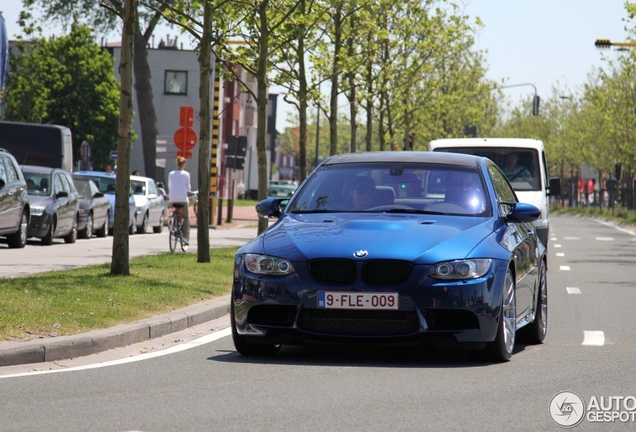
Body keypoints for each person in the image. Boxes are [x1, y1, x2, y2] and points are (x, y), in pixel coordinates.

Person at [169, 156, 192, 245]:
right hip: (182, 198)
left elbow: (170, 185)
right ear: (184, 164)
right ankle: (185, 237)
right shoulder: (186, 174)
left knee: (176, 210)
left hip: (173, 198)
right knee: (186, 217)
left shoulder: (171, 173)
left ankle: (174, 224)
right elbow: (187, 188)